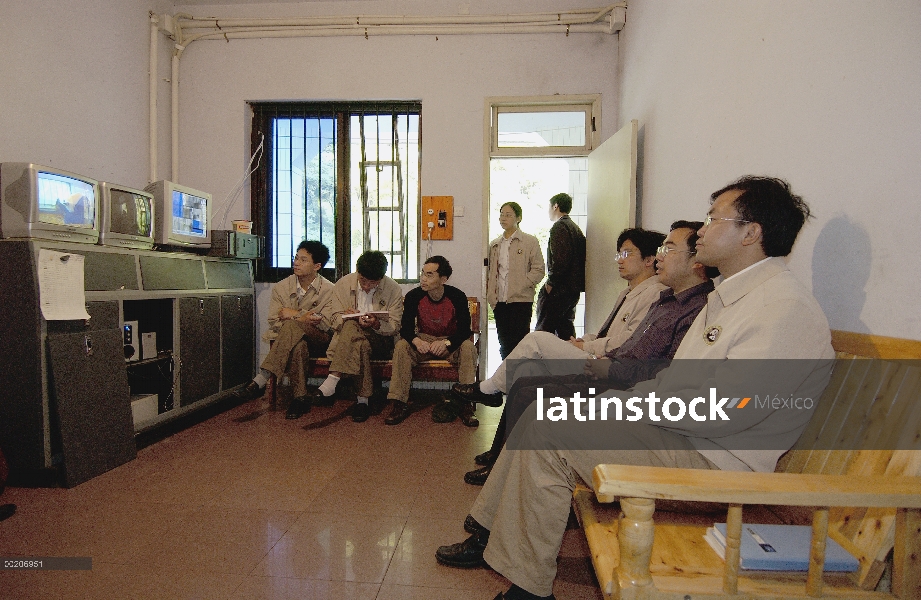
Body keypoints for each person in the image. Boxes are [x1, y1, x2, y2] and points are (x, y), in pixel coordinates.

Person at [436, 176, 835, 600]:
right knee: (545, 415)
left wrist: (634, 406)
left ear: (750, 233)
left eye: (714, 218)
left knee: (550, 431)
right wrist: (628, 402)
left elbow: (727, 410)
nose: (702, 230)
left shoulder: (782, 308)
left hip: (717, 463)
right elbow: (678, 383)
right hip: (684, 438)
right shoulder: (731, 298)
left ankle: (527, 587)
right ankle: (493, 539)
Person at [455, 221, 716, 485]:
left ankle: (489, 393)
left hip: (621, 377)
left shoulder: (671, 298)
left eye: (667, 250)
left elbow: (643, 357)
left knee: (536, 341)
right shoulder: (657, 298)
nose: (620, 260)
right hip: (614, 367)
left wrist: (591, 351)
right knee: (525, 374)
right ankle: (499, 455)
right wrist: (586, 341)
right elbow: (617, 338)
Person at [236, 241, 335, 419]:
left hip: (320, 340)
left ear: (317, 266)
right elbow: (274, 320)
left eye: (303, 260)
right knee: (298, 346)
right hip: (292, 340)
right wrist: (304, 317)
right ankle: (300, 399)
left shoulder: (329, 290)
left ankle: (261, 378)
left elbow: (327, 324)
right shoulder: (282, 287)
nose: (296, 263)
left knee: (292, 324)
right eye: (296, 258)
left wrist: (295, 315)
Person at [308, 250, 404, 423]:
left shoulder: (393, 289)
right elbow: (333, 320)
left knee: (354, 333)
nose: (366, 286)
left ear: (381, 278)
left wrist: (375, 323)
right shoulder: (343, 284)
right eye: (363, 281)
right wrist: (346, 316)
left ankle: (332, 381)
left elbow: (395, 326)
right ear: (357, 272)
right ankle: (362, 401)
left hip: (381, 340)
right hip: (353, 339)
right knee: (357, 338)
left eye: (372, 283)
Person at [385, 256, 477, 425]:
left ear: (443, 279)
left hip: (449, 341)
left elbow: (465, 330)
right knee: (402, 346)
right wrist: (417, 342)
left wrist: (447, 344)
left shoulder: (457, 296)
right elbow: (405, 329)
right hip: (425, 340)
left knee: (468, 347)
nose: (423, 279)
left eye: (429, 275)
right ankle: (399, 403)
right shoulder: (414, 296)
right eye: (422, 274)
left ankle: (466, 403)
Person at [486, 202, 546, 360]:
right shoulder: (495, 244)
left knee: (520, 343)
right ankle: (507, 378)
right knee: (504, 343)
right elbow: (491, 273)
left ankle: (521, 380)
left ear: (518, 218)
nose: (503, 218)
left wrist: (523, 284)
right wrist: (491, 295)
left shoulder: (529, 241)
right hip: (499, 301)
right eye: (501, 214)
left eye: (508, 215)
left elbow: (539, 269)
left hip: (521, 301)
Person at [534, 193, 586, 340]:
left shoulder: (560, 227)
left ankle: (544, 363)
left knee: (544, 331)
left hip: (559, 289)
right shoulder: (575, 228)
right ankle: (569, 361)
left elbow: (561, 260)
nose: (548, 211)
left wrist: (551, 283)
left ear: (555, 206)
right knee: (565, 330)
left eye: (549, 207)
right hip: (572, 289)